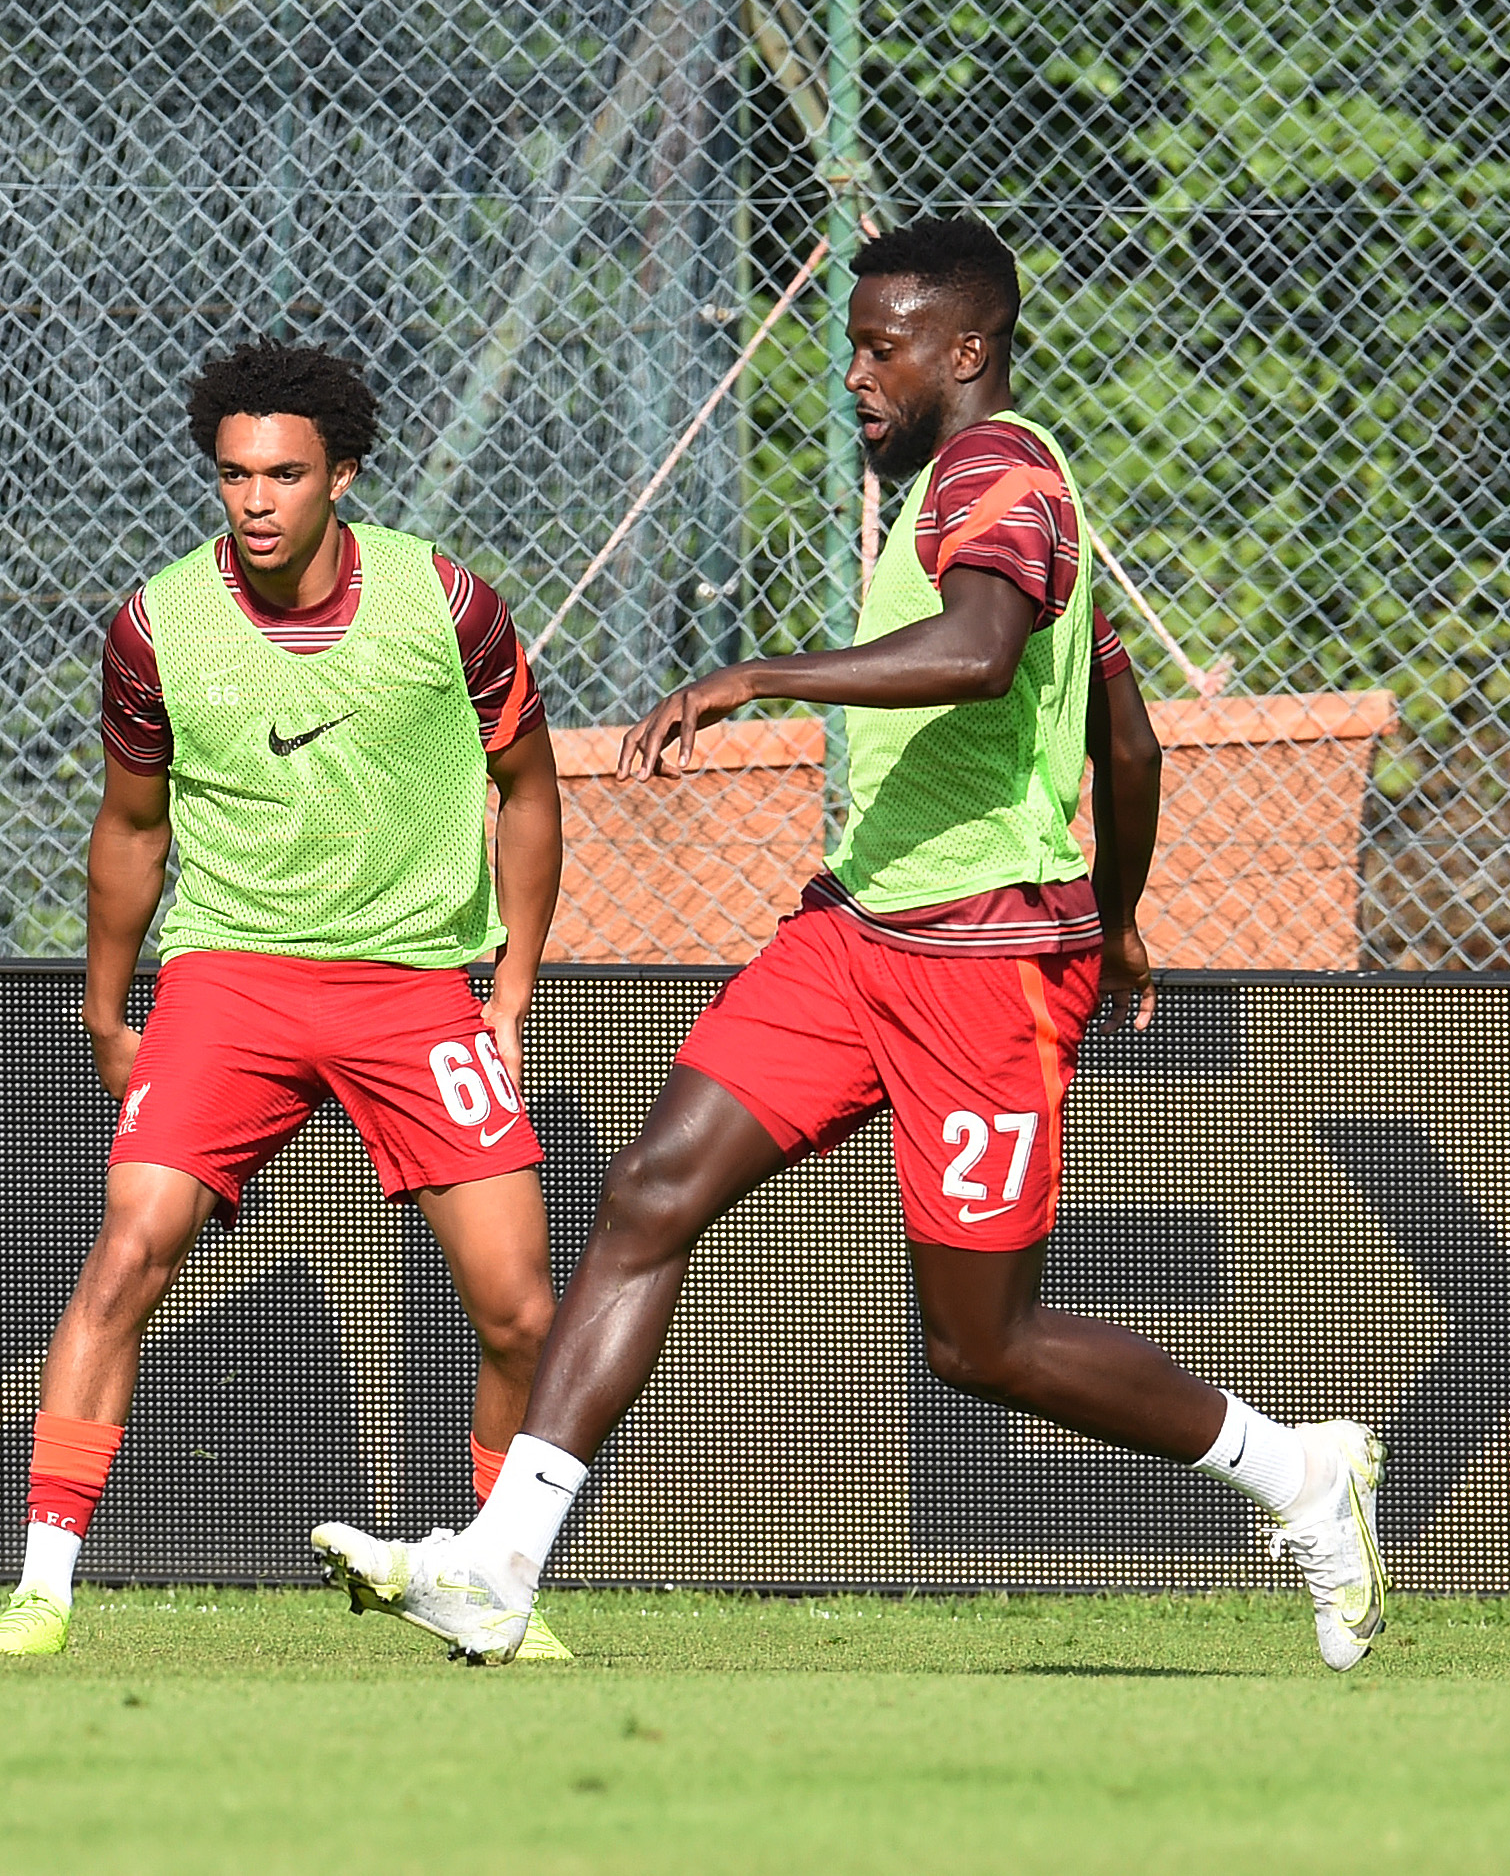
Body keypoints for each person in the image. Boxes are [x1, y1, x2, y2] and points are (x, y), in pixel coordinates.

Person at [312, 217, 1390, 1670]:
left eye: (882, 350)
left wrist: (760, 674)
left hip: (983, 969)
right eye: (849, 349)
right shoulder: (973, 492)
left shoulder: (999, 476)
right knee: (647, 1193)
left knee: (978, 1343)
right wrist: (1123, 908)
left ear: (966, 350)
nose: (855, 377)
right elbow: (1122, 740)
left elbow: (982, 655)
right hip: (854, 932)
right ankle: (501, 1567)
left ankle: (1297, 1473)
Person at [0, 342, 567, 1659]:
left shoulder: (446, 602)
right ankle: (39, 1591)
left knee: (520, 1310)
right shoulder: (156, 624)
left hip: (411, 982)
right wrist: (106, 1010)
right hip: (228, 975)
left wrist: (510, 988)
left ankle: (491, 1587)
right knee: (127, 1250)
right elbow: (130, 829)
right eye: (233, 474)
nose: (254, 499)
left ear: (340, 476)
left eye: (283, 473)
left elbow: (528, 789)